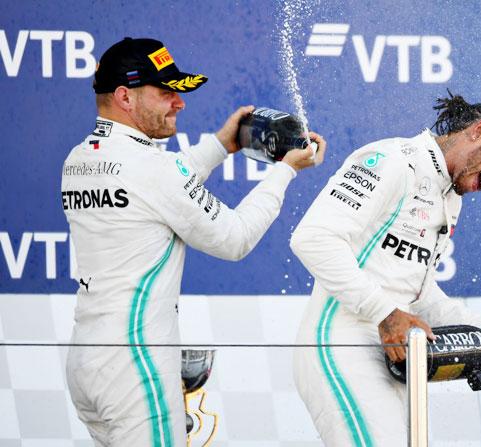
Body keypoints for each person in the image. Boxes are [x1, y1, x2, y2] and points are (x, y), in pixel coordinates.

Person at [61, 37, 326, 447]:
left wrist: (223, 144)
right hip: (136, 367)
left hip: (87, 362)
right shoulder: (151, 169)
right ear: (124, 97)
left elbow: (164, 182)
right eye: (166, 93)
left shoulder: (81, 157)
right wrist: (285, 171)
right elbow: (235, 239)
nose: (179, 103)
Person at [290, 93, 481, 446]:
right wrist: (385, 313)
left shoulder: (449, 195)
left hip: (394, 355)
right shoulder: (392, 160)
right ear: (480, 130)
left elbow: (416, 292)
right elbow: (313, 238)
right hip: (341, 344)